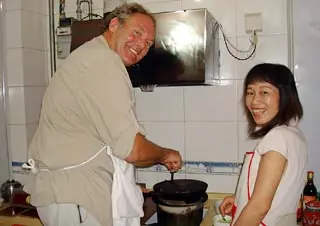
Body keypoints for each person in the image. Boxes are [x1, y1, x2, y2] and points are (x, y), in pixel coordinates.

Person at [23, 3, 182, 226]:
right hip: (76, 194)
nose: (141, 46)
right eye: (137, 33)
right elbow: (131, 150)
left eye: (148, 43)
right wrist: (166, 155)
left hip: (70, 193)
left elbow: (99, 140)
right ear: (114, 24)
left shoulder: (92, 56)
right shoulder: (104, 63)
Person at [219, 63, 307, 226]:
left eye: (264, 92)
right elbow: (280, 190)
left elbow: (259, 207)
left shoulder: (277, 138)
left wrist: (249, 206)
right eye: (250, 92)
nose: (254, 101)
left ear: (285, 95)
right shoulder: (294, 134)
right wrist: (240, 198)